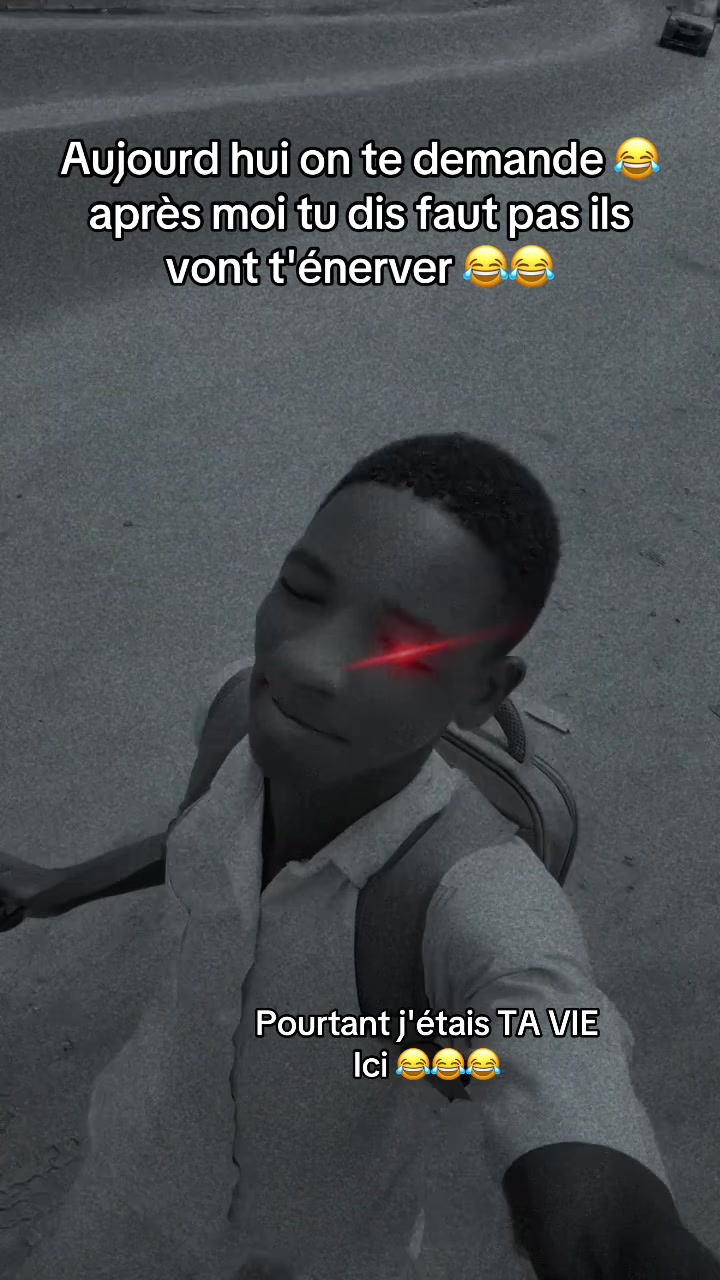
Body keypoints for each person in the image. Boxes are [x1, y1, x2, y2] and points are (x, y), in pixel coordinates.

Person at [1, 433, 719, 1280]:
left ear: (484, 691)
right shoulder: (238, 711)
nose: (306, 662)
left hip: (314, 1251)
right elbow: (198, 839)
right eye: (303, 591)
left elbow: (592, 1171)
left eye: (404, 647)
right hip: (128, 1180)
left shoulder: (475, 901)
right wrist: (55, 889)